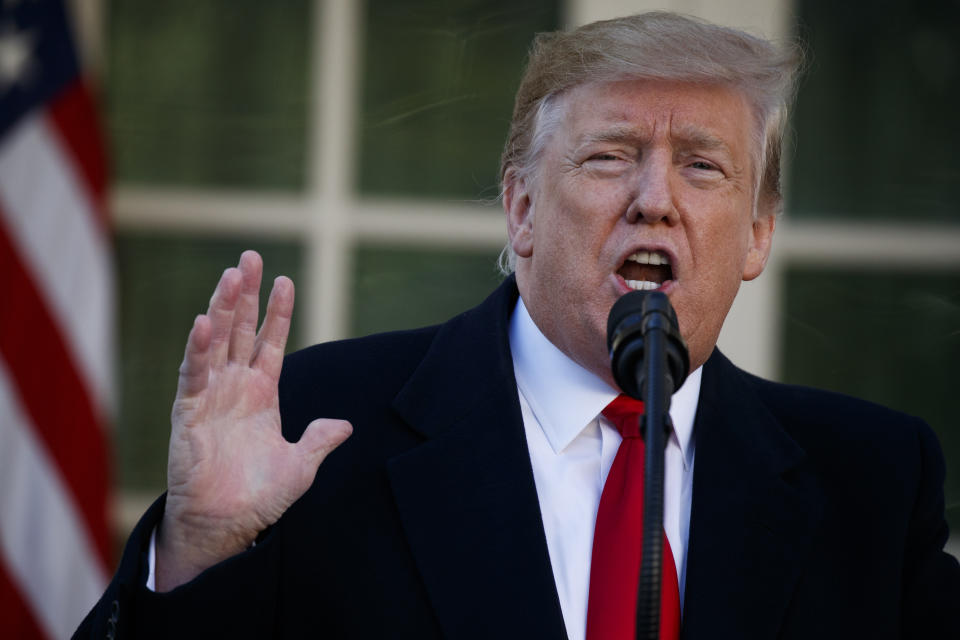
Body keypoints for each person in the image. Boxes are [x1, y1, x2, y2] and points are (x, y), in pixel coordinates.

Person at [76, 11, 960, 639]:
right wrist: (197, 554)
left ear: (758, 234)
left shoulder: (870, 480)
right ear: (522, 207)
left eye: (702, 166)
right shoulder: (316, 427)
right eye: (610, 156)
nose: (654, 201)